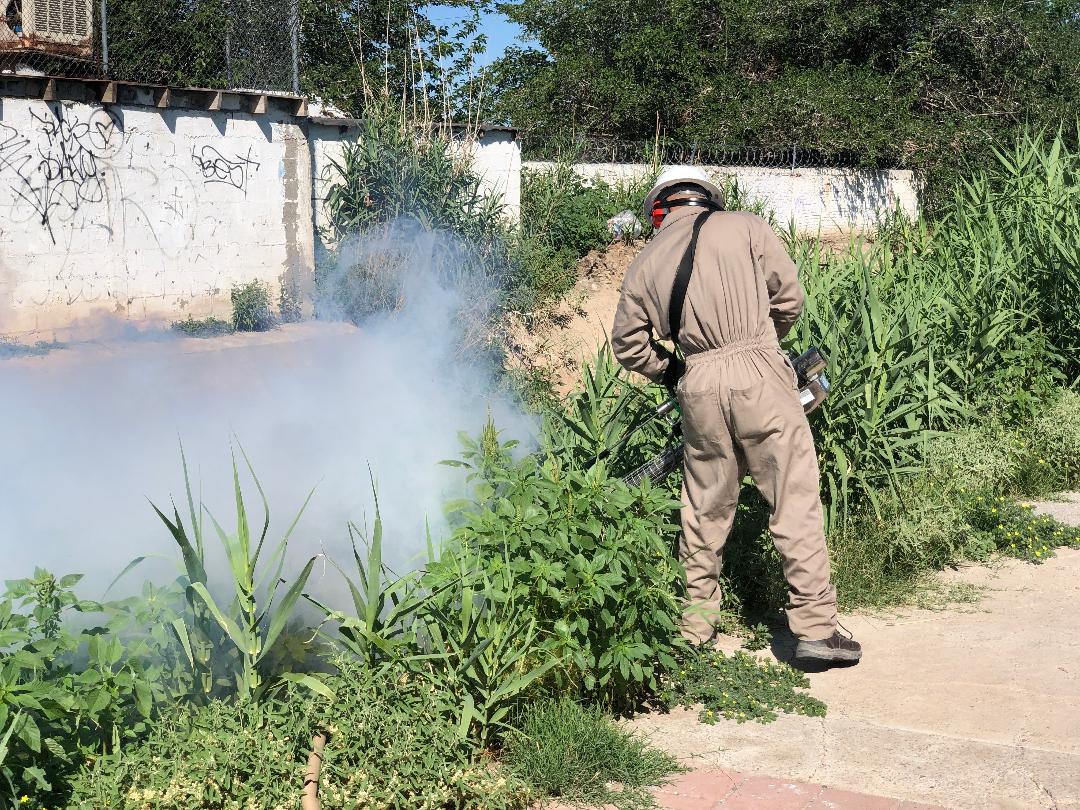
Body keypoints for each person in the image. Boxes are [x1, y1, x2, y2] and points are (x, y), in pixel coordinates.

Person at [610, 165, 861, 664]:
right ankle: (814, 626)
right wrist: (762, 347)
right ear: (707, 198)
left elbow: (627, 344)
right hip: (759, 369)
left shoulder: (645, 260)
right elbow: (788, 298)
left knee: (703, 510)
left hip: (697, 384)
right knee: (792, 499)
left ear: (660, 209)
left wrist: (673, 371)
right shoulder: (746, 226)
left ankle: (694, 626)